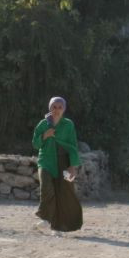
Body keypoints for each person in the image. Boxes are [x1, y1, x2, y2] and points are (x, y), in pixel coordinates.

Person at [32, 96, 83, 233]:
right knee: (46, 188)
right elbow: (35, 144)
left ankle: (58, 227)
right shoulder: (43, 124)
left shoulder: (68, 124)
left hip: (64, 162)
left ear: (64, 109)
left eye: (60, 107)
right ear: (50, 108)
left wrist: (72, 166)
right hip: (46, 161)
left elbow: (73, 146)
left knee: (64, 192)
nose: (57, 110)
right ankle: (45, 218)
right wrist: (45, 136)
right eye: (54, 107)